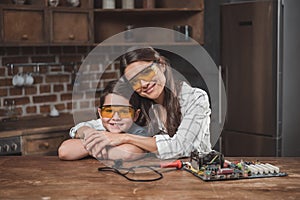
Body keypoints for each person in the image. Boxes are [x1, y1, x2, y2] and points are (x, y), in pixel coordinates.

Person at [82, 47, 212, 160]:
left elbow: (182, 146)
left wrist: (126, 138)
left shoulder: (195, 98)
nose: (143, 84)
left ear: (161, 65)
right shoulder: (140, 103)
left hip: (197, 175)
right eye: (135, 81)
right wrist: (89, 134)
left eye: (146, 73)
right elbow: (95, 124)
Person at [58, 80, 148, 161]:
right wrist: (88, 132)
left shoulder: (139, 132)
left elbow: (129, 153)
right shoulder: (97, 125)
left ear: (136, 115)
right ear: (100, 113)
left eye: (124, 112)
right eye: (109, 111)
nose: (116, 118)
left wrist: (94, 144)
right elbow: (64, 151)